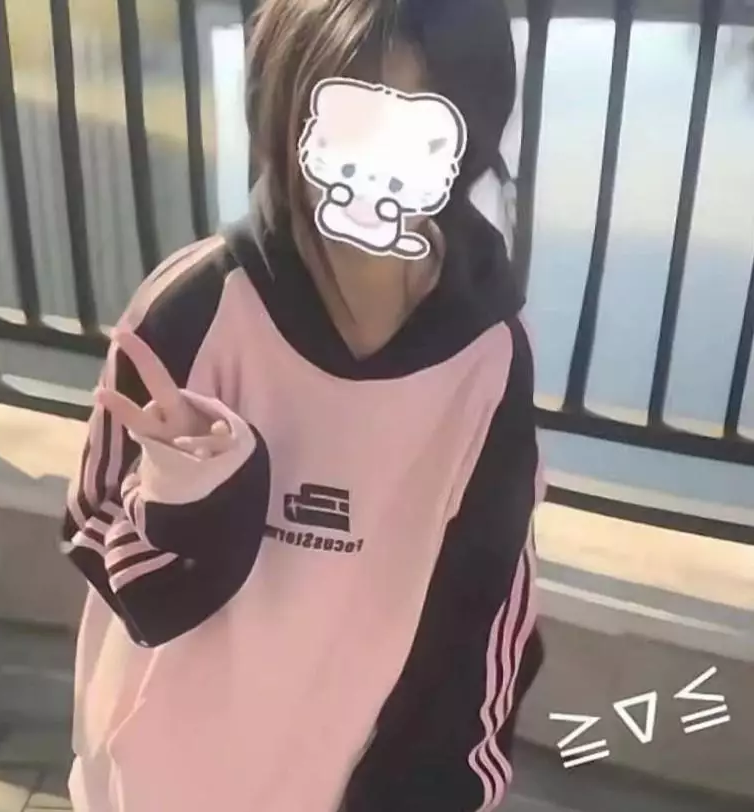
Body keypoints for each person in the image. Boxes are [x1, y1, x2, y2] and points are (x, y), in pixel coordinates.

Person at [61, 0, 545, 810]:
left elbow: (486, 610)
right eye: (348, 123)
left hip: (336, 784)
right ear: (283, 116)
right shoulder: (193, 309)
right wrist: (191, 502)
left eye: (414, 130)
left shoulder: (489, 357)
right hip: (152, 784)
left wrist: (439, 787)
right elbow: (92, 523)